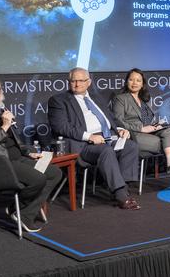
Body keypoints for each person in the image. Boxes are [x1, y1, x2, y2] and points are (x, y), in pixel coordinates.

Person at [0, 76, 63, 233]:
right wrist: (5, 125)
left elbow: (12, 142)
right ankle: (21, 212)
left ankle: (21, 212)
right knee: (38, 179)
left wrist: (28, 152)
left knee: (55, 173)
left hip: (14, 159)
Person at [47, 68, 141, 210]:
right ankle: (121, 194)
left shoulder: (96, 98)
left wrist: (120, 129)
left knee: (130, 146)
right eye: (73, 81)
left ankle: (123, 186)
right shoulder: (58, 100)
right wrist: (89, 136)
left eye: (81, 80)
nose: (77, 84)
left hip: (107, 137)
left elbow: (111, 118)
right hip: (84, 144)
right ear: (69, 82)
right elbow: (61, 127)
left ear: (89, 82)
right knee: (106, 151)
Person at [110, 68, 170, 193]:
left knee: (169, 130)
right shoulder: (121, 98)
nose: (134, 83)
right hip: (134, 134)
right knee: (167, 145)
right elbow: (117, 121)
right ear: (127, 82)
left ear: (142, 84)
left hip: (149, 131)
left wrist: (157, 124)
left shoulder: (145, 100)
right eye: (131, 79)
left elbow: (148, 120)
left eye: (138, 80)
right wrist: (141, 128)